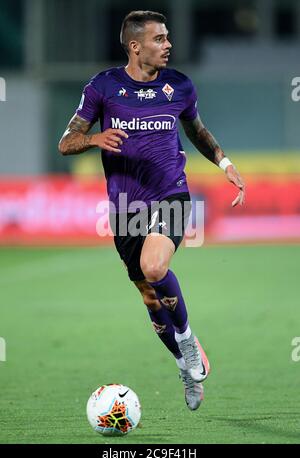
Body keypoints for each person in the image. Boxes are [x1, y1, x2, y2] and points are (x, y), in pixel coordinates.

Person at [58, 10, 245, 411]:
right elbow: (66, 141)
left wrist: (225, 164)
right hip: (125, 205)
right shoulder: (104, 87)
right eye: (159, 39)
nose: (168, 45)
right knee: (147, 293)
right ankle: (182, 364)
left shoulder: (179, 86)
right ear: (135, 46)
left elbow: (197, 131)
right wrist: (94, 139)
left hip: (171, 193)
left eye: (167, 38)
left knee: (155, 268)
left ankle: (188, 340)